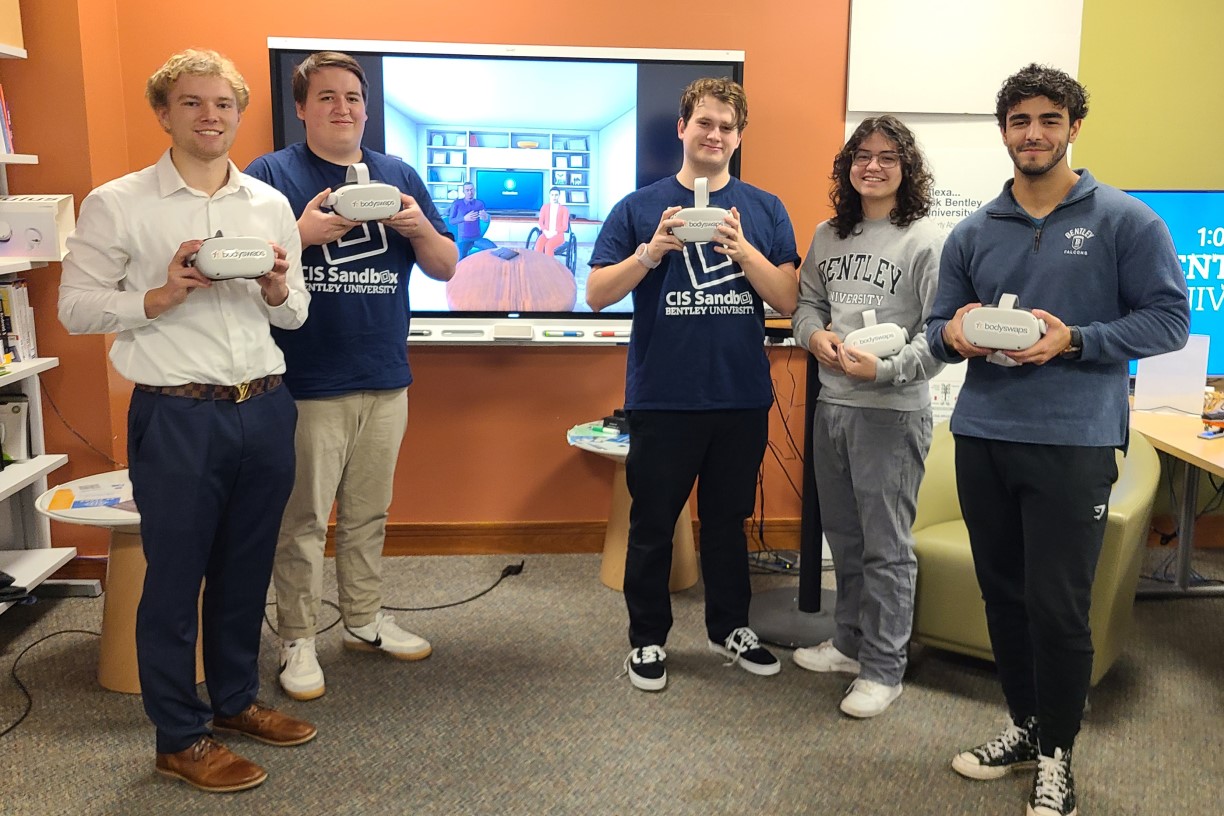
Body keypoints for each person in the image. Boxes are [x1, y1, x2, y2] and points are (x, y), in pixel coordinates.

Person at [925, 64, 1189, 816]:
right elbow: (937, 332)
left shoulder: (1126, 221)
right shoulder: (976, 230)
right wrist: (953, 332)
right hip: (981, 438)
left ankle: (1058, 755)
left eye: (1048, 119)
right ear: (1003, 131)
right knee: (1002, 596)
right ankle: (1024, 725)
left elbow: (1168, 321)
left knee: (1057, 605)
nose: (1032, 134)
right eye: (1019, 121)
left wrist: (1075, 340)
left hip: (1072, 446)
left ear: (1074, 126)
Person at [57, 49, 315, 794]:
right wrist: (160, 295)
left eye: (224, 104)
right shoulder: (119, 202)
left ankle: (233, 702)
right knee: (174, 579)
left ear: (239, 113)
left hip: (264, 406)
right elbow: (76, 308)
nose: (211, 116)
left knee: (244, 569)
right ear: (163, 114)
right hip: (179, 415)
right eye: (193, 103)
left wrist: (273, 285)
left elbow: (296, 312)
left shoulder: (267, 206)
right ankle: (179, 736)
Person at [245, 51, 457, 702]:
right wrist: (302, 232)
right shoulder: (271, 174)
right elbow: (248, 268)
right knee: (303, 520)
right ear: (302, 108)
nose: (343, 107)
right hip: (307, 378)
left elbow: (446, 265)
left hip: (385, 372)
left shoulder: (398, 175)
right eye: (327, 97)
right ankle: (299, 639)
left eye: (353, 97)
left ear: (367, 108)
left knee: (369, 513)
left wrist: (416, 222)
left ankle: (363, 619)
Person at [587, 77, 799, 692]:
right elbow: (598, 294)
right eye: (704, 122)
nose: (715, 134)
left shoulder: (764, 208)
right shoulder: (638, 206)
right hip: (663, 395)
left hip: (739, 395)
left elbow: (786, 298)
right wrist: (651, 252)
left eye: (727, 127)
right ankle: (647, 639)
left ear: (739, 136)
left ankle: (730, 628)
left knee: (730, 523)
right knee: (652, 524)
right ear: (682, 128)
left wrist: (743, 251)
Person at [790, 115, 945, 718]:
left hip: (890, 414)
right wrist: (814, 339)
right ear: (847, 166)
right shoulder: (829, 234)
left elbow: (941, 336)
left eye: (887, 157)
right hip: (833, 407)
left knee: (886, 547)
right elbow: (806, 305)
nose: (872, 166)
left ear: (906, 170)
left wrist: (882, 371)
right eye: (861, 155)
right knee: (846, 540)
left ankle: (885, 667)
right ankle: (851, 643)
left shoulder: (926, 240)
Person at [448, 180, 490, 258]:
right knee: (459, 259)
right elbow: (451, 221)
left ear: (474, 190)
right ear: (463, 191)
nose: (470, 192)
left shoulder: (480, 203)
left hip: (477, 238)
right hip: (463, 239)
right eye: (467, 190)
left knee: (494, 250)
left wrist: (486, 218)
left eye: (471, 190)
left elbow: (485, 220)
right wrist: (464, 218)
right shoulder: (457, 203)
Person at [534, 187, 571, 254]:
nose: (554, 197)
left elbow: (565, 227)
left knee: (549, 245)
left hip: (558, 235)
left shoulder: (564, 209)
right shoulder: (544, 207)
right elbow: (540, 222)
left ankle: (550, 264)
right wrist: (545, 231)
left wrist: (554, 232)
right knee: (539, 244)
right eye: (552, 195)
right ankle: (539, 263)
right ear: (549, 195)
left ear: (559, 196)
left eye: (556, 195)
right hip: (546, 233)